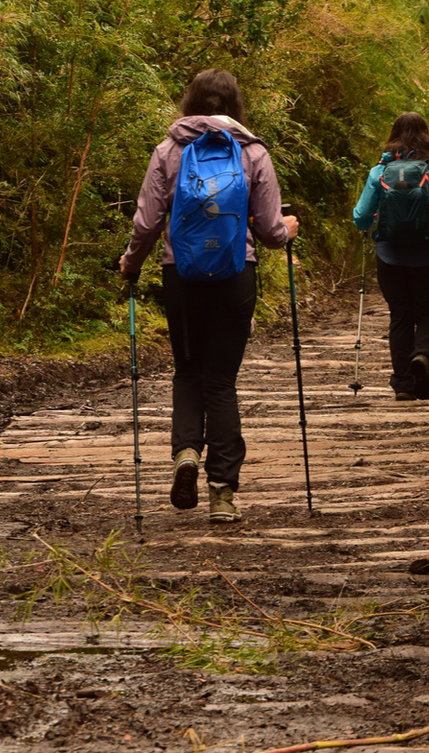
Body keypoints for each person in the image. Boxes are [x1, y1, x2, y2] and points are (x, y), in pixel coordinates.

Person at [120, 69, 298, 524]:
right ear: (235, 106)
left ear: (190, 103)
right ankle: (222, 493)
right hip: (236, 274)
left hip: (180, 273)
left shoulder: (169, 151)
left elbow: (147, 222)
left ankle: (184, 454)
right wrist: (287, 230)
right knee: (220, 380)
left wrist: (132, 263)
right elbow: (272, 231)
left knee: (187, 372)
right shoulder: (252, 152)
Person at [353, 112, 429, 401]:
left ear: (394, 136)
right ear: (427, 134)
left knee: (401, 315)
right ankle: (423, 355)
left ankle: (404, 384)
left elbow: (360, 218)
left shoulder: (380, 172)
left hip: (390, 256)